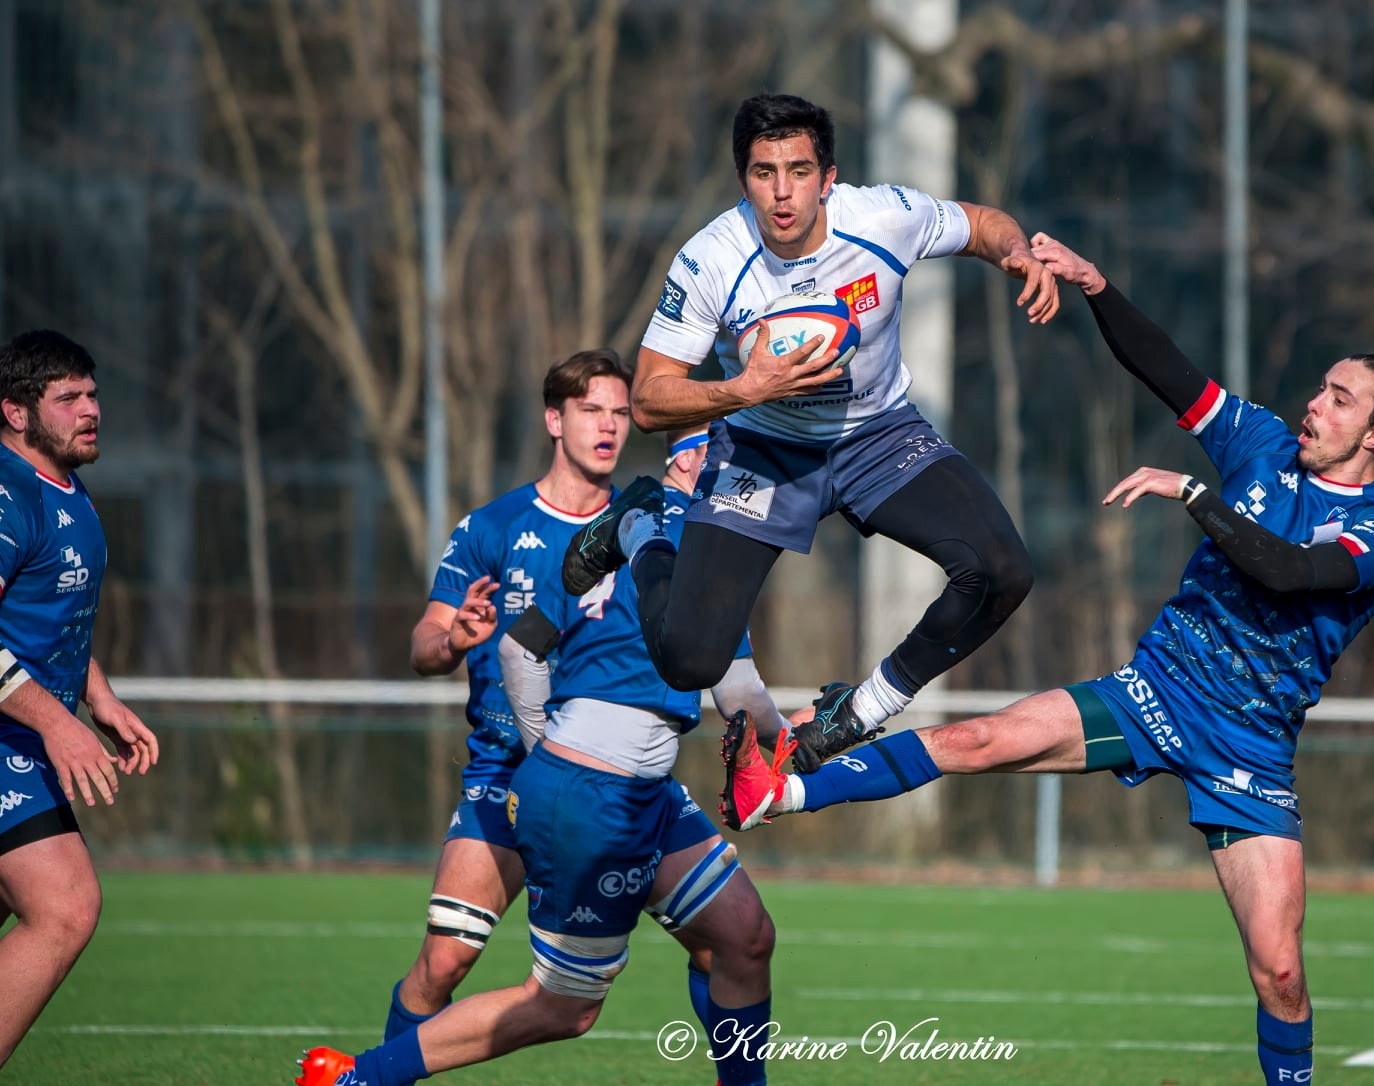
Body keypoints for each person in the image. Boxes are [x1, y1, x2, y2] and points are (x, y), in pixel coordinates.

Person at [720, 234, 1374, 1086]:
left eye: (1338, 399)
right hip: (1158, 691)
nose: (1314, 404)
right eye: (1320, 387)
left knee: (1282, 973)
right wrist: (1097, 285)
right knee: (975, 741)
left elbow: (1289, 573)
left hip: (1250, 749)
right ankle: (781, 790)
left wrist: (1191, 494)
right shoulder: (1261, 444)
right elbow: (1167, 370)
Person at [561, 92, 1057, 773]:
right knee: (689, 661)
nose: (783, 193)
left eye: (799, 171)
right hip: (763, 450)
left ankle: (857, 711)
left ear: (828, 178)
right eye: (764, 173)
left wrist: (1016, 254)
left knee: (1003, 572)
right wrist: (744, 390)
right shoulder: (711, 258)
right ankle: (640, 527)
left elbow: (979, 223)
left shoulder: (884, 217)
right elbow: (647, 398)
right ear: (744, 181)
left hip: (879, 438)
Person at [297, 426, 789, 1086]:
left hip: (629, 785)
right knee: (563, 1007)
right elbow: (739, 696)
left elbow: (516, 649)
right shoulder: (705, 549)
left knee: (744, 935)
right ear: (692, 461)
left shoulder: (611, 534)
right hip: (597, 790)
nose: (755, 483)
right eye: (744, 464)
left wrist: (543, 752)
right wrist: (797, 739)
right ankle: (360, 1080)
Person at [383, 350, 745, 1042]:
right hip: (505, 773)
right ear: (555, 419)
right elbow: (421, 646)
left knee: (732, 940)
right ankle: (378, 1069)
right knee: (445, 961)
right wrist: (454, 638)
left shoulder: (646, 533)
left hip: (619, 779)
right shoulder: (494, 527)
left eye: (618, 413)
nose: (608, 427)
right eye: (590, 411)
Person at [0, 330, 159, 1069]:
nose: (91, 409)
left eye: (92, 394)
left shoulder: (67, 487)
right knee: (65, 906)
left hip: (25, 738)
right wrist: (57, 723)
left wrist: (99, 697)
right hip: (12, 743)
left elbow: (47, 616)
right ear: (17, 412)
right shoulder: (7, 495)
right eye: (68, 398)